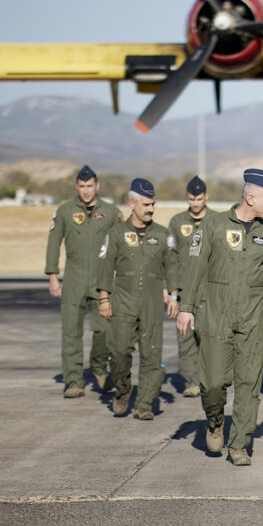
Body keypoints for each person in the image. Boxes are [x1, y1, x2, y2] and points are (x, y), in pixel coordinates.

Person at [177, 168, 263, 466]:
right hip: (216, 319)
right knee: (211, 383)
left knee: (249, 385)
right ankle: (214, 422)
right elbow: (194, 267)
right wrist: (186, 307)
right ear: (250, 197)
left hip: (252, 321)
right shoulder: (211, 226)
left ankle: (239, 445)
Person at [97, 178, 180, 420]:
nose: (150, 209)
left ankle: (144, 403)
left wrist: (174, 295)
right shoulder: (116, 234)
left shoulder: (163, 235)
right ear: (132, 203)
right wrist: (104, 299)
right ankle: (123, 391)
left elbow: (172, 267)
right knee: (119, 350)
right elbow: (105, 268)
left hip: (152, 303)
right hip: (122, 301)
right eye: (145, 204)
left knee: (152, 354)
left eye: (153, 204)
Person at [45, 165, 122, 398]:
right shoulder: (65, 211)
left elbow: (120, 247)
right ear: (76, 187)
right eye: (82, 186)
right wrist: (53, 278)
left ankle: (99, 366)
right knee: (71, 333)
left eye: (90, 186)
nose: (86, 191)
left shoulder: (110, 212)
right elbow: (53, 242)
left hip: (102, 281)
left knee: (103, 330)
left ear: (97, 186)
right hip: (74, 279)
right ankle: (73, 381)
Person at [167, 175, 210, 398]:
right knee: (185, 338)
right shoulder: (176, 222)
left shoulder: (216, 220)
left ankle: (207, 379)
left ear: (206, 197)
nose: (195, 203)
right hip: (185, 290)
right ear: (187, 198)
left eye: (199, 198)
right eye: (192, 199)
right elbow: (171, 259)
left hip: (209, 289)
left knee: (207, 336)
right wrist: (172, 292)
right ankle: (191, 381)